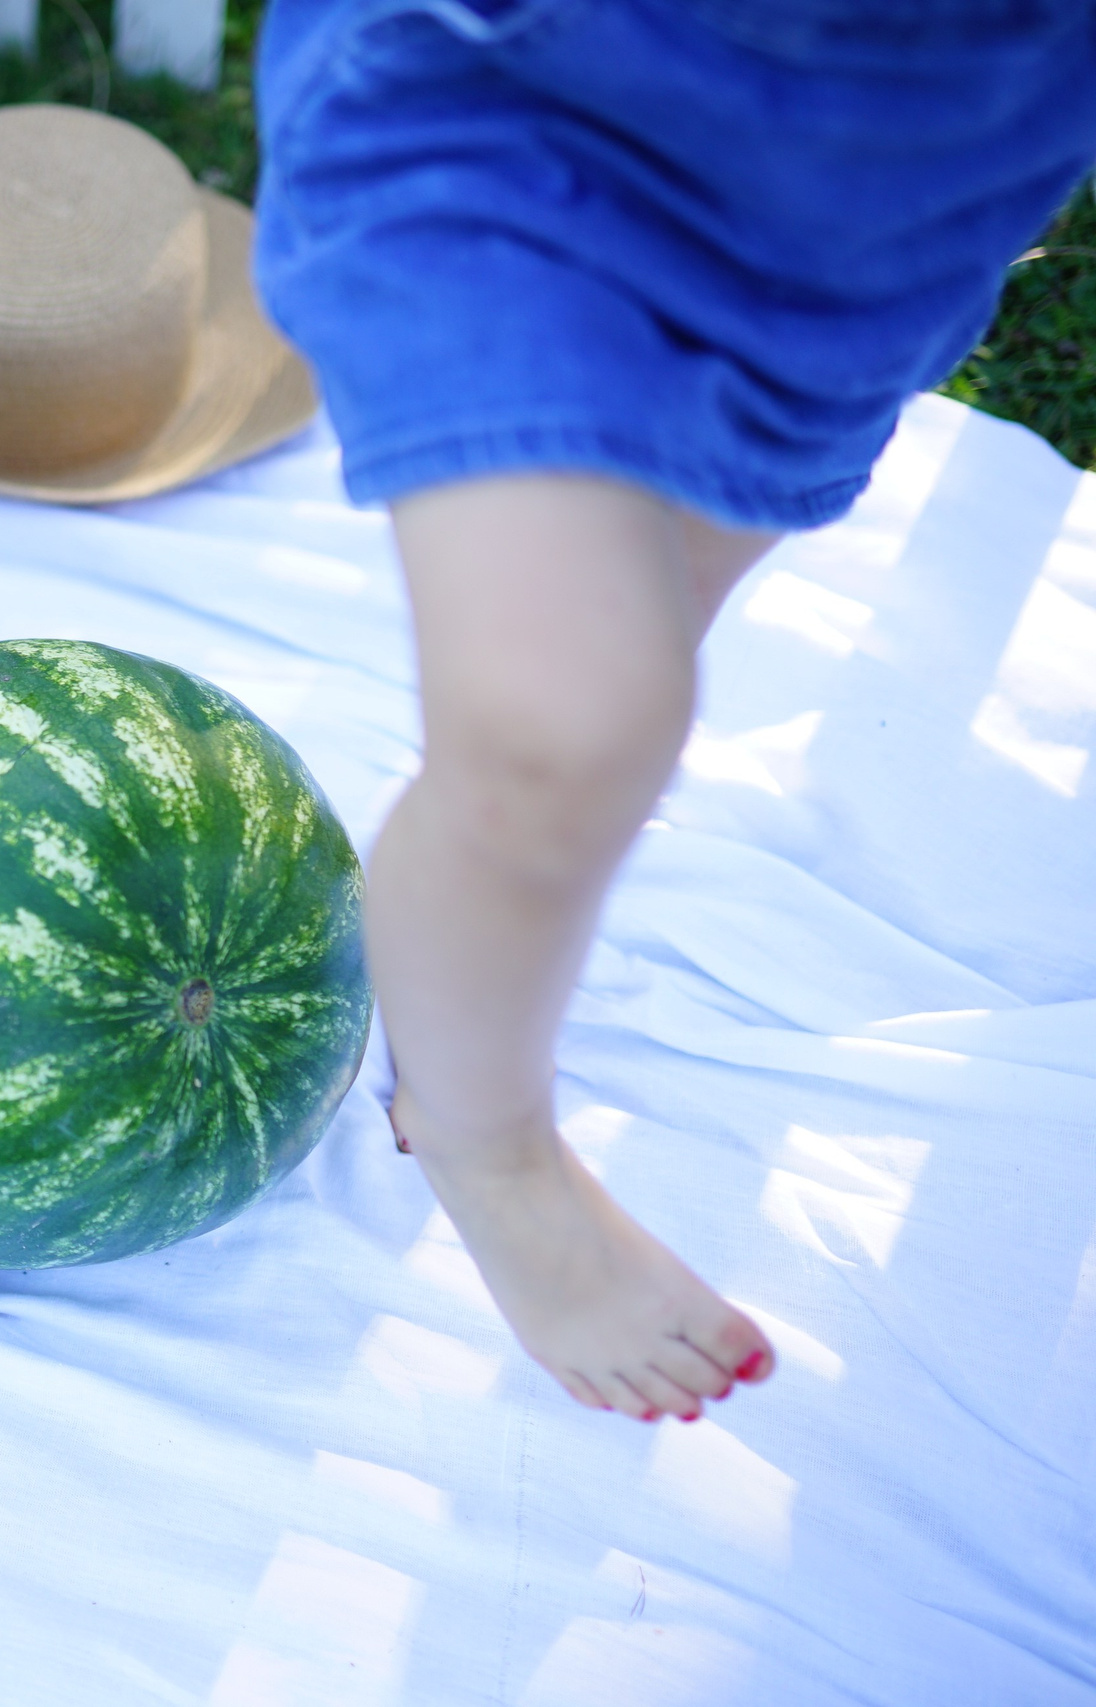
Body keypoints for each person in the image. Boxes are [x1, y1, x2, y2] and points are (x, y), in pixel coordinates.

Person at [253, 0, 1096, 1421]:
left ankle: (497, 870)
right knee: (568, 722)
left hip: (884, 185)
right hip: (513, 90)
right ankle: (481, 1135)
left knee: (646, 607)